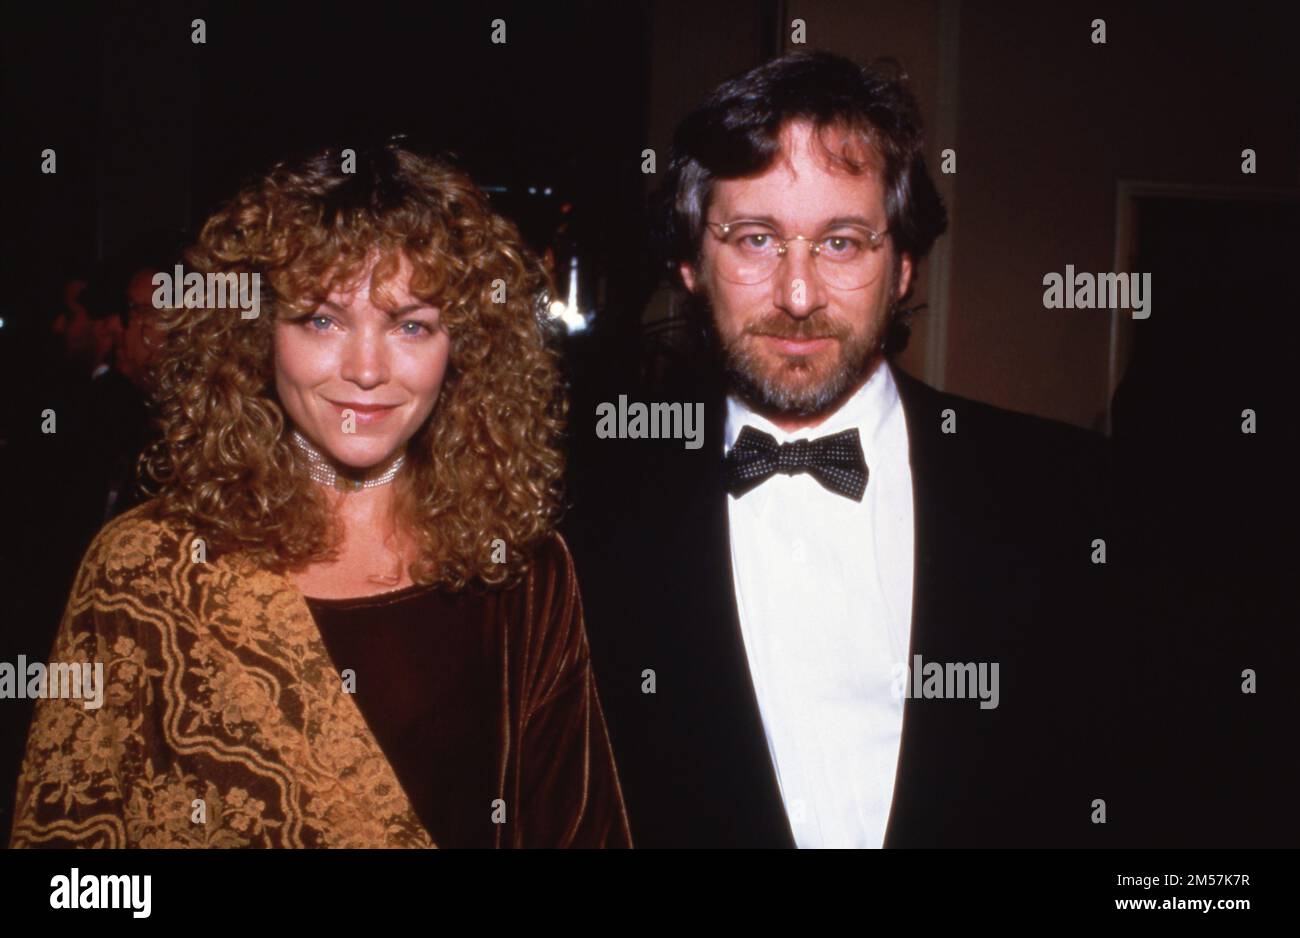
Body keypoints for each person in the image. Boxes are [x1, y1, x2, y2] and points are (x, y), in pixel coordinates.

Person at [565, 51, 1129, 848]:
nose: (798, 296)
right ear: (692, 267)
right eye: (755, 239)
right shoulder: (583, 514)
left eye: (841, 243)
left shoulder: (1071, 496)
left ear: (901, 266)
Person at [10, 139, 631, 848]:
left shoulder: (522, 574)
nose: (366, 369)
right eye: (322, 320)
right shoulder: (145, 572)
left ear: (466, 348)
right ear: (255, 333)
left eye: (410, 324)